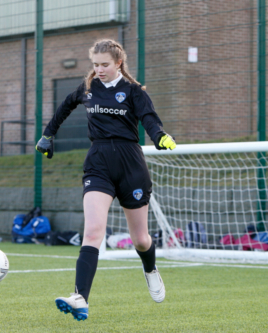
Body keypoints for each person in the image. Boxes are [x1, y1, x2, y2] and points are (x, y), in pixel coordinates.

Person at [35, 39, 177, 321]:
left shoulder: (134, 92)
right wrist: (47, 135)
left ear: (118, 63)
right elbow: (65, 106)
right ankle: (79, 298)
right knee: (93, 232)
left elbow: (149, 117)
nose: (99, 70)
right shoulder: (88, 88)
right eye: (95, 64)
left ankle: (150, 269)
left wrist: (159, 135)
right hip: (98, 163)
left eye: (104, 65)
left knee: (140, 239)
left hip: (130, 165)